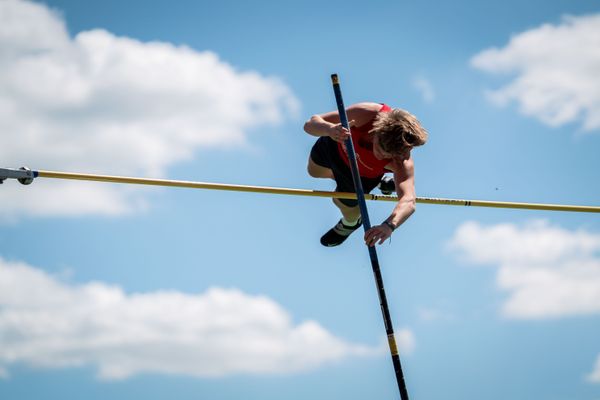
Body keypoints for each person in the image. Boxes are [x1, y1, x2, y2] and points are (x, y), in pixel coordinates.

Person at [304, 102, 428, 247]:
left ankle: (351, 223)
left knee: (341, 200)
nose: (381, 157)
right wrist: (330, 129)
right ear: (376, 131)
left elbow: (409, 201)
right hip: (335, 146)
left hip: (362, 176)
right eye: (380, 150)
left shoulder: (401, 162)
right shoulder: (367, 114)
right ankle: (382, 181)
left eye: (387, 156)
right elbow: (310, 124)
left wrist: (389, 225)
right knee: (313, 172)